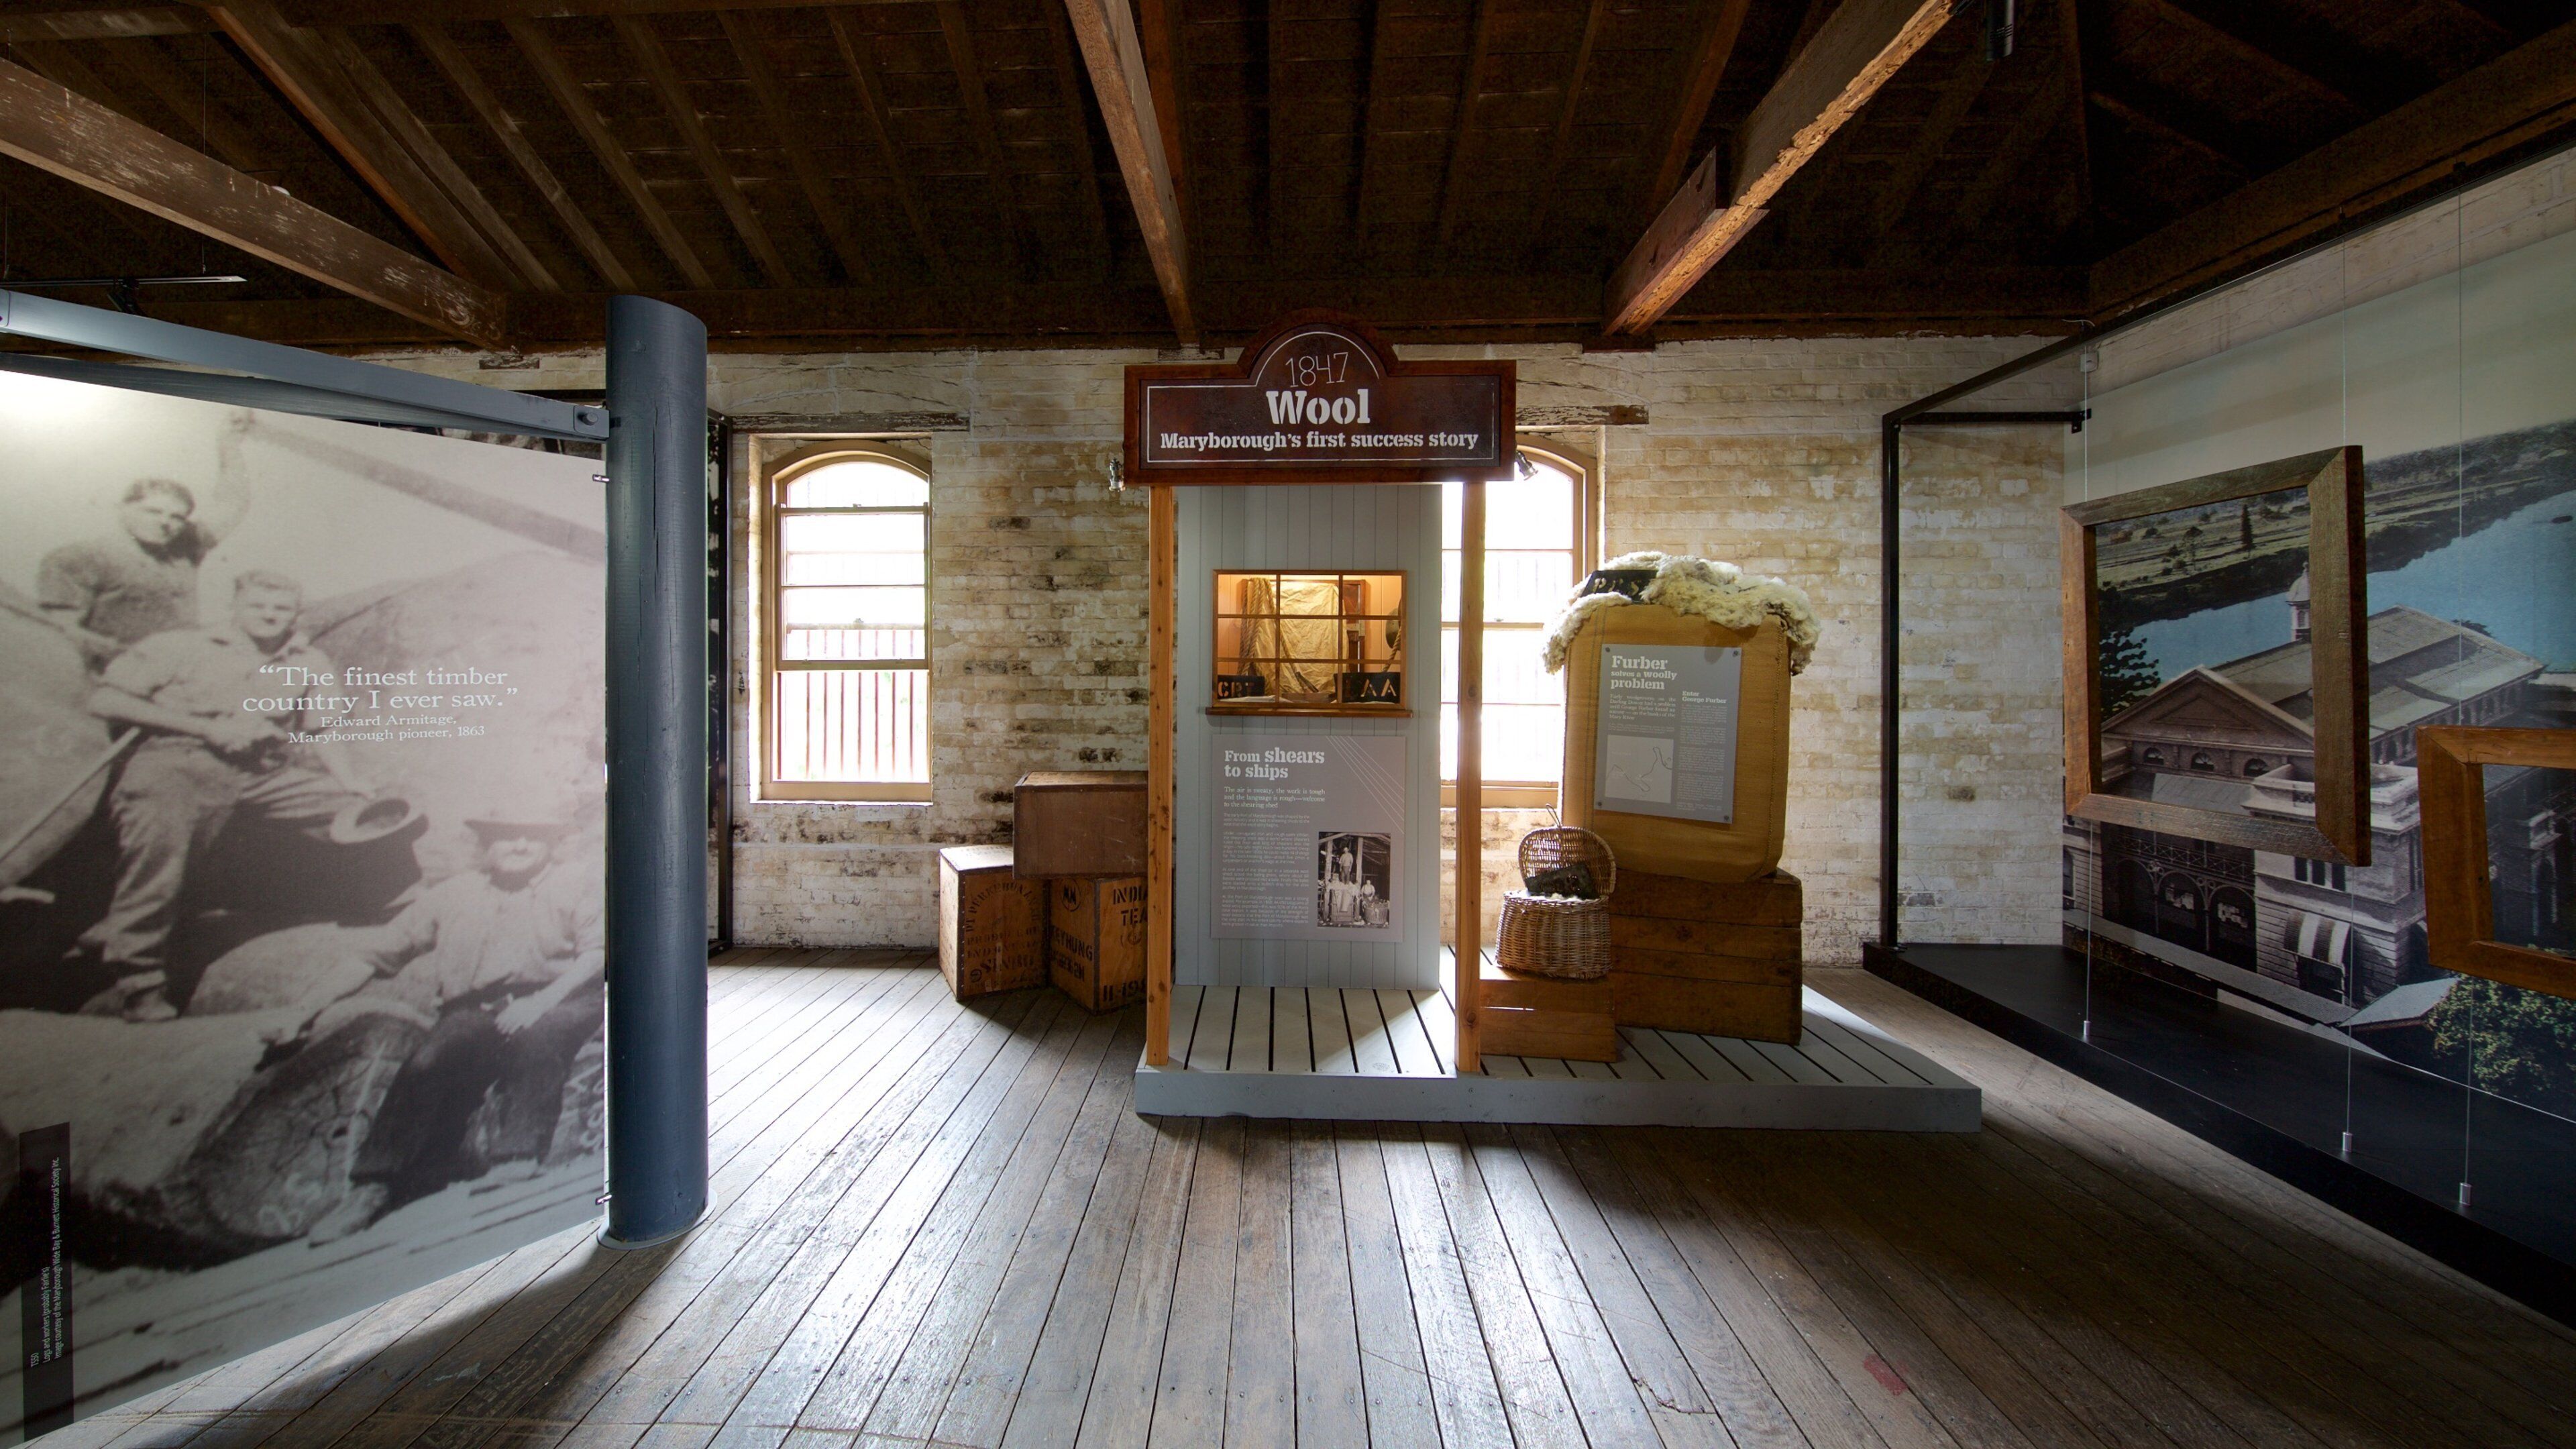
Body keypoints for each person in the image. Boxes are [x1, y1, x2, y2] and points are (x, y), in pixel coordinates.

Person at [74, 570, 372, 1021]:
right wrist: (207, 727)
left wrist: (348, 781)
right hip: (178, 764)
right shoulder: (181, 646)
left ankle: (372, 918)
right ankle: (138, 986)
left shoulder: (309, 661)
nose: (270, 616)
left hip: (259, 773)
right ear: (234, 608)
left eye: (281, 609)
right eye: (258, 606)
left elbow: (324, 727)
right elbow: (107, 702)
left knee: (360, 815)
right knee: (158, 873)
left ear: (296, 613)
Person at [304, 804, 600, 1242]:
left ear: (552, 843)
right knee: (429, 1060)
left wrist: (539, 1002)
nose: (519, 845)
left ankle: (517, 1159)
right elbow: (376, 954)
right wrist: (306, 1007)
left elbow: (595, 954)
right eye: (505, 835)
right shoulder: (454, 892)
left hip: (565, 995)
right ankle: (373, 1186)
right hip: (478, 1005)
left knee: (542, 1035)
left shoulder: (575, 882)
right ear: (484, 844)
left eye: (533, 835)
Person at [38, 477, 249, 667]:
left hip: (174, 677)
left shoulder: (184, 552)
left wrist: (229, 447)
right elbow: (60, 635)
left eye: (177, 517)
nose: (165, 522)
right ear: (121, 508)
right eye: (152, 511)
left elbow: (232, 506)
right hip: (109, 675)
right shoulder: (79, 558)